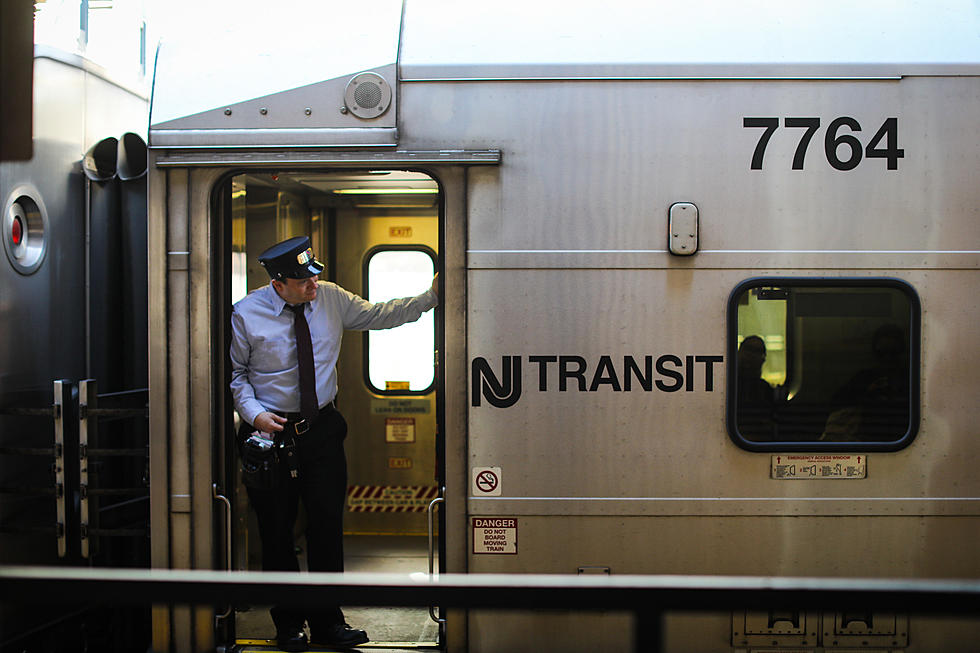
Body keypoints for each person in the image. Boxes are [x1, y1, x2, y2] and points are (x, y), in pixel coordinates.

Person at [230, 236, 437, 651]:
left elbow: (380, 314)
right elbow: (237, 376)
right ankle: (288, 624)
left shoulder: (330, 298)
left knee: (326, 529)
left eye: (314, 276)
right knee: (276, 533)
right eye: (303, 280)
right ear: (277, 283)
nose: (313, 285)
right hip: (270, 434)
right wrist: (255, 415)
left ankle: (328, 622)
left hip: (321, 429)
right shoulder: (246, 314)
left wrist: (431, 296)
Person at [735, 335, 776, 440]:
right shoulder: (730, 386)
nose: (752, 356)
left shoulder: (765, 390)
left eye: (758, 352)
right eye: (749, 350)